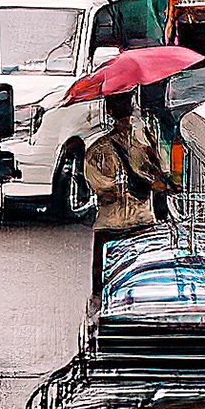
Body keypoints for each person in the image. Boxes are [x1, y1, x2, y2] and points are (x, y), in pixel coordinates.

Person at [81, 89, 174, 293]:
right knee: (135, 287)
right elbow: (104, 190)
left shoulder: (135, 147)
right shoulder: (106, 149)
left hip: (125, 224)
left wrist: (153, 156)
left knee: (112, 290)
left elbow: (162, 177)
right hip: (127, 225)